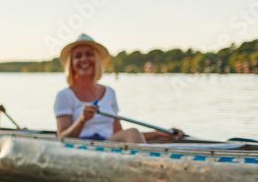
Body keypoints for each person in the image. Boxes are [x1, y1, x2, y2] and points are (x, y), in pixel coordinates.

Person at [54, 34, 183, 142]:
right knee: (132, 132)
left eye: (89, 54)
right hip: (82, 148)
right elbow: (62, 137)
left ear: (96, 59)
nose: (84, 59)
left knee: (132, 132)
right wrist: (82, 120)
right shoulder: (64, 95)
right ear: (71, 63)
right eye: (78, 56)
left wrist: (158, 134)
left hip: (108, 145)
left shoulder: (109, 92)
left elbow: (121, 135)